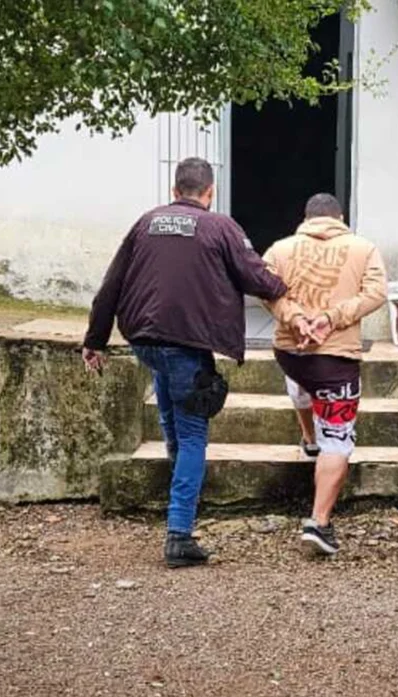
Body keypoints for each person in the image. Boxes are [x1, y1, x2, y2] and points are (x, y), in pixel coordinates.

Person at [81, 157, 294, 569]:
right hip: (187, 344)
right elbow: (255, 276)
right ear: (209, 193)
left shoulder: (146, 222)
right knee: (194, 433)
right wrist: (285, 285)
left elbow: (112, 284)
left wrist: (95, 341)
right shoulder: (220, 227)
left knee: (173, 414)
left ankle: (180, 491)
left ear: (175, 190)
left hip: (144, 340)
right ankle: (179, 534)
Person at [263, 193, 387, 555]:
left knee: (302, 385)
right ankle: (318, 523)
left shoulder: (280, 249)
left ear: (306, 218)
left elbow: (264, 290)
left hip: (291, 351)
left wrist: (296, 318)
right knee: (338, 439)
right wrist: (333, 317)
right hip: (336, 360)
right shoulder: (364, 248)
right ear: (341, 217)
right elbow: (377, 293)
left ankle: (308, 438)